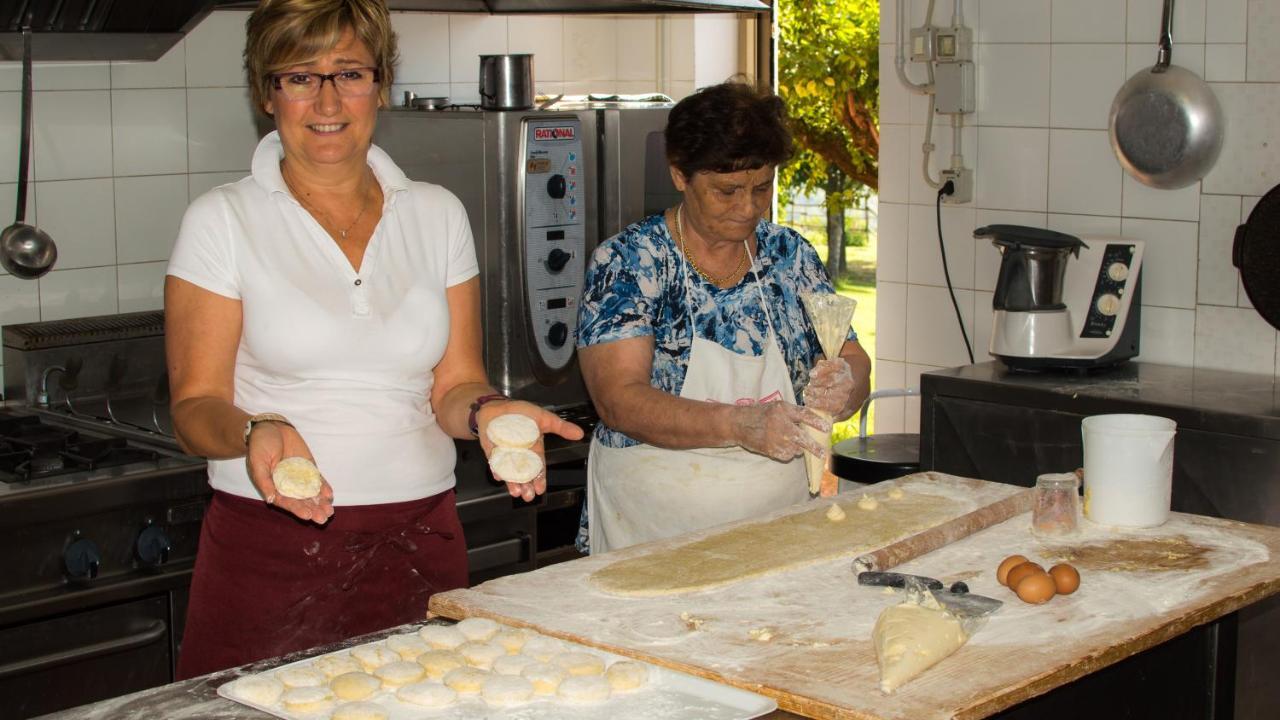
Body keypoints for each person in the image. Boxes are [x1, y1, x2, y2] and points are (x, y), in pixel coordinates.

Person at [165, 0, 581, 678]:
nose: (327, 99)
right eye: (299, 76)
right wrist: (254, 431)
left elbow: (453, 388)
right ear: (266, 95)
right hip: (272, 550)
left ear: (380, 85)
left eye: (349, 73)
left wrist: (490, 412)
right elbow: (193, 410)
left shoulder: (437, 213)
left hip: (421, 540)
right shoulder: (222, 221)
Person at [576, 81, 871, 554]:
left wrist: (847, 384)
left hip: (777, 521)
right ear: (680, 175)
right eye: (727, 190)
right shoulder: (630, 262)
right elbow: (619, 402)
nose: (748, 207)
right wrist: (739, 425)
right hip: (653, 529)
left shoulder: (789, 256)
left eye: (762, 187)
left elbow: (853, 358)